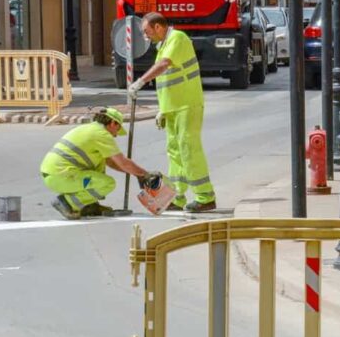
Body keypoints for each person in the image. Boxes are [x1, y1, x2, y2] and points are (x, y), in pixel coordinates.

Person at [128, 12, 217, 212]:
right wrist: (163, 110)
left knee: (189, 150)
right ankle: (177, 197)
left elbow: (164, 66)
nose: (146, 36)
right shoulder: (163, 46)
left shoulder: (178, 38)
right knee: (175, 152)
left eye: (147, 31)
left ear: (158, 27)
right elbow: (167, 83)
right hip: (173, 108)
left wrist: (140, 82)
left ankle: (205, 196)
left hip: (187, 105)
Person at [41, 107, 159, 220]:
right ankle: (66, 202)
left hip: (57, 174)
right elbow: (122, 161)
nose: (116, 135)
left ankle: (89, 205)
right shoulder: (102, 134)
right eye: (117, 129)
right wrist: (144, 174)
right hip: (62, 175)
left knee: (101, 161)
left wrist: (136, 173)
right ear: (113, 123)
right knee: (107, 183)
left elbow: (111, 162)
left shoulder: (91, 129)